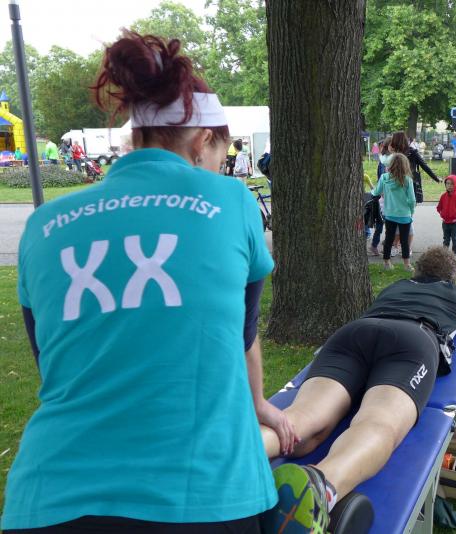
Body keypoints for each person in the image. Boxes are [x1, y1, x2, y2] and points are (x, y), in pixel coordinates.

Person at [1, 30, 290, 533]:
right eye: (220, 154)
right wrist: (258, 404)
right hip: (202, 496)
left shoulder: (45, 224)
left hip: (48, 498)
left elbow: (53, 363)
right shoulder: (231, 200)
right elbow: (242, 335)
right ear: (202, 141)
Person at [262, 246, 456, 534]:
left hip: (354, 334)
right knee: (378, 422)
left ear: (418, 271)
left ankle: (239, 455)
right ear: (451, 278)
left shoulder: (397, 286)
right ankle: (320, 486)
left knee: (303, 417)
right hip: (412, 340)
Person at [372, 152, 415, 271]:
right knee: (404, 241)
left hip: (389, 214)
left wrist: (373, 192)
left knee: (389, 239)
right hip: (405, 215)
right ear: (405, 165)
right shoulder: (407, 180)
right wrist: (411, 211)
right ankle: (407, 264)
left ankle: (387, 263)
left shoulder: (384, 178)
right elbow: (412, 200)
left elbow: (376, 192)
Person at [389, 131, 440, 204]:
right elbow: (424, 165)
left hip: (401, 183)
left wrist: (435, 178)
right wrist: (436, 178)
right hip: (406, 182)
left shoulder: (404, 153)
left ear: (396, 140)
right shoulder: (406, 152)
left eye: (393, 139)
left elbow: (424, 165)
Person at [436, 174, 456, 255]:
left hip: (454, 223)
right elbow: (439, 207)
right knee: (446, 240)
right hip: (445, 223)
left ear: (455, 184)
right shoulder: (443, 196)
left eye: (452, 184)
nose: (449, 186)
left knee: (455, 239)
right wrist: (441, 212)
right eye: (447, 183)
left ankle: (455, 255)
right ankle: (444, 255)